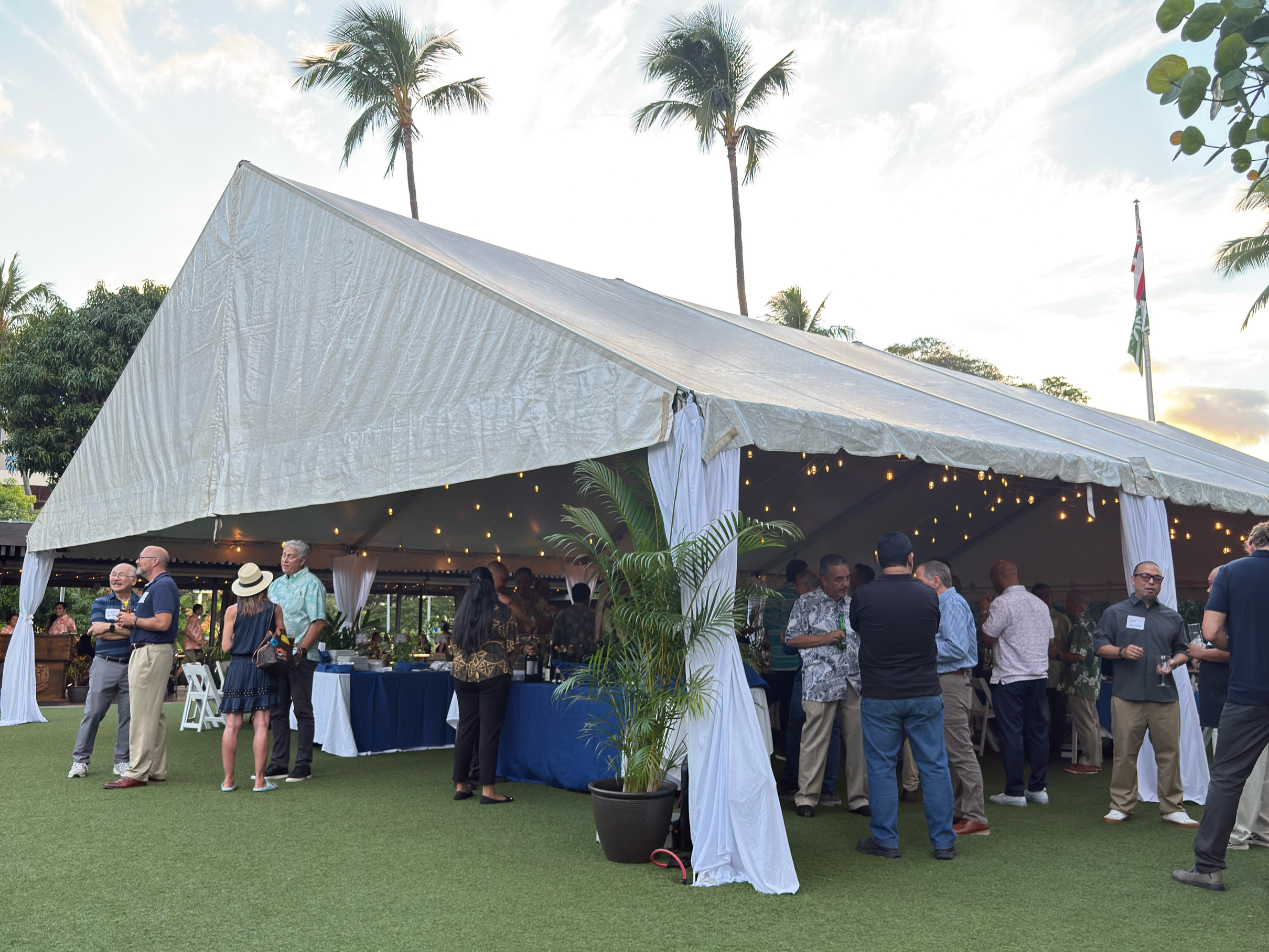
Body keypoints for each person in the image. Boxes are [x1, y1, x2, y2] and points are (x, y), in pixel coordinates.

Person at [1174, 524, 1269, 890]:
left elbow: (1211, 632)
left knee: (1227, 777)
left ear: (1251, 544)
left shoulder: (1231, 572)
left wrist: (1239, 642)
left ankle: (1209, 868)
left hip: (1248, 691)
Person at [850, 532, 956, 860]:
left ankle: (886, 840)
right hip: (924, 689)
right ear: (911, 558)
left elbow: (858, 629)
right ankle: (943, 842)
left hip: (880, 693)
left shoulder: (863, 595)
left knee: (881, 767)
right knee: (935, 765)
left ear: (878, 559)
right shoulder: (929, 596)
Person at [1094, 561, 1196, 827]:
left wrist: (1174, 663)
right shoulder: (1115, 612)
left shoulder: (1172, 617)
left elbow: (1184, 650)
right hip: (1127, 695)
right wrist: (1121, 651)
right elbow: (1099, 645)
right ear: (1134, 579)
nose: (1151, 582)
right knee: (1125, 752)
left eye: (1156, 578)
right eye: (1146, 577)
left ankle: (1172, 807)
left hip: (1164, 696)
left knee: (1169, 752)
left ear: (1161, 583)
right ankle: (1121, 805)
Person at [786, 555, 868, 819]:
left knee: (858, 741)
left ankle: (859, 798)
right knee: (814, 739)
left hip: (853, 679)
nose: (845, 583)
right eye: (839, 579)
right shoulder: (805, 602)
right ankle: (807, 798)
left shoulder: (854, 604)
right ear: (823, 579)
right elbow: (792, 639)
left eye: (847, 578)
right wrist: (824, 638)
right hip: (820, 680)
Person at [915, 560, 988, 836]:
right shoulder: (946, 604)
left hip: (952, 680)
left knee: (959, 749)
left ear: (935, 581)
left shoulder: (952, 604)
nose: (915, 586)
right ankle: (962, 811)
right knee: (952, 749)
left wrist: (920, 643)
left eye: (919, 580)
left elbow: (956, 648)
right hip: (948, 680)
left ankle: (976, 816)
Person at [105, 546, 180, 789]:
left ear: (155, 561)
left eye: (141, 558)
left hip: (150, 652)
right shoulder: (156, 586)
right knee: (153, 713)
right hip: (148, 651)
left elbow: (162, 622)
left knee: (142, 713)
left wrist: (133, 620)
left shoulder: (162, 586)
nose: (137, 560)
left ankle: (136, 771)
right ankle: (155, 769)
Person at [979, 559, 1052, 807]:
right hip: (1038, 676)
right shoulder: (1039, 604)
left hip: (1010, 678)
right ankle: (1039, 788)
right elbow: (1051, 642)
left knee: (1012, 734)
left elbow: (988, 636)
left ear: (999, 577)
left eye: (992, 579)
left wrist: (983, 610)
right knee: (1037, 732)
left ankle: (1014, 791)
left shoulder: (1002, 603)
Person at [451, 566, 519, 804]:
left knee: (466, 727)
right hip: (493, 673)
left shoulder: (461, 613)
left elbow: (453, 647)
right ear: (491, 585)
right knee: (489, 731)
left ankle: (461, 786)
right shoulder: (502, 611)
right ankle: (488, 791)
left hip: (462, 673)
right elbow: (512, 646)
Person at [778, 568, 846, 806]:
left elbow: (791, 642)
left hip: (811, 675)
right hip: (834, 675)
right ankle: (825, 787)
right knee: (832, 730)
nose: (797, 590)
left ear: (806, 586)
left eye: (798, 586)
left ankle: (796, 785)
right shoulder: (820, 604)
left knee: (800, 727)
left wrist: (788, 640)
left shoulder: (808, 604)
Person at [264, 540, 327, 784]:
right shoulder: (276, 585)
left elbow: (318, 621)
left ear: (302, 560)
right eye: (283, 555)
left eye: (291, 556)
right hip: (278, 654)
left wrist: (300, 650)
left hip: (301, 655)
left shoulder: (313, 584)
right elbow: (270, 621)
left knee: (301, 709)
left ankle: (303, 765)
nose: (285, 559)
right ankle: (279, 763)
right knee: (278, 710)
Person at [68, 564, 137, 779]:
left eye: (121, 575)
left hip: (133, 665)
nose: (115, 578)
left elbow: (139, 632)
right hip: (104, 663)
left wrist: (110, 628)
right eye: (113, 575)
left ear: (133, 580)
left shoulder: (141, 602)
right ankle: (80, 761)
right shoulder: (100, 602)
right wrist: (125, 630)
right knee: (93, 713)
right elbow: (97, 632)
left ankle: (121, 761)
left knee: (128, 716)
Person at [218, 564, 283, 792]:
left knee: (232, 725)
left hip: (237, 668)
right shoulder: (274, 608)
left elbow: (226, 647)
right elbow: (282, 642)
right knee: (262, 724)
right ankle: (259, 781)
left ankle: (228, 781)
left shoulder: (231, 611)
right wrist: (268, 640)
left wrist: (240, 639)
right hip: (262, 667)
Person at [1057, 592, 1103, 775]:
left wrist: (1057, 655)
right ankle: (1095, 759)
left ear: (1076, 605)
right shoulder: (1091, 622)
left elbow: (1079, 655)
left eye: (1068, 604)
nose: (1067, 608)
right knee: (1092, 722)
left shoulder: (1080, 625)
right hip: (1090, 680)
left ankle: (1090, 761)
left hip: (1079, 681)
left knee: (1085, 723)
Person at [763, 559, 807, 752]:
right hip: (794, 659)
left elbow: (766, 623)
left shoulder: (774, 596)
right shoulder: (802, 597)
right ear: (799, 577)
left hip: (777, 659)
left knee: (779, 704)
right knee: (792, 708)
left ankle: (779, 745)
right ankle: (790, 747)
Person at [1190, 567, 1229, 752]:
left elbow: (1231, 651)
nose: (1208, 590)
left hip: (1227, 694)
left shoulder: (1232, 611)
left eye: (1210, 584)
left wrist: (1202, 654)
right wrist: (1202, 657)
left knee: (1223, 744)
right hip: (1215, 694)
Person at [1032, 583, 1071, 761]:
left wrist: (1059, 646)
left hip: (1056, 675)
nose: (1044, 599)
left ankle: (1055, 750)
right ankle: (1034, 750)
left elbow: (1072, 647)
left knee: (1057, 715)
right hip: (1033, 674)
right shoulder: (1027, 617)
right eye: (1039, 596)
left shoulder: (1061, 619)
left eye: (1047, 595)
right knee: (1034, 715)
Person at [550, 583, 597, 660]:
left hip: (567, 658)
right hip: (590, 660)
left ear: (572, 596)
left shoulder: (562, 614)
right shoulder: (594, 615)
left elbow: (554, 639)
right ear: (588, 598)